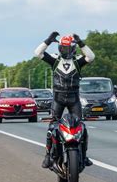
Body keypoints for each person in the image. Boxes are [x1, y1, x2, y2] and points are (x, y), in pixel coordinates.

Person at [35, 32, 95, 169]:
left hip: (74, 99)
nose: (65, 51)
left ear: (74, 48)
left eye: (68, 49)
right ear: (59, 48)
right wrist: (48, 40)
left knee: (81, 127)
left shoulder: (77, 61)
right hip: (58, 98)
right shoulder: (55, 60)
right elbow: (37, 53)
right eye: (63, 48)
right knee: (52, 127)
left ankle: (84, 156)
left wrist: (81, 43)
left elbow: (91, 57)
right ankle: (48, 156)